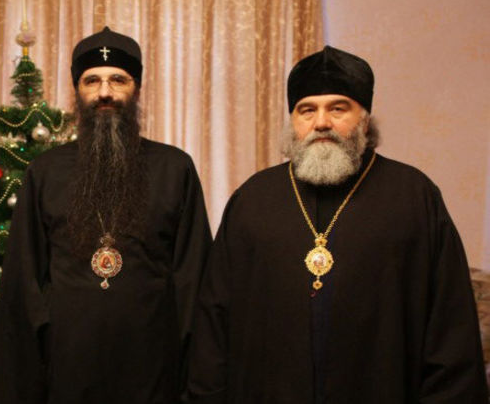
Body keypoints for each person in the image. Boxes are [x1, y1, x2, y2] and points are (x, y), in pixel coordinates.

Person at [187, 45, 488, 403]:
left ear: (365, 119)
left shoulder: (413, 196)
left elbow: (449, 324)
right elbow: (214, 318)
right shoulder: (253, 198)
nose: (321, 123)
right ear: (293, 121)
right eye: (307, 110)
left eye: (338, 108)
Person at [0, 27, 212, 403]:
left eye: (118, 80)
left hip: (153, 369)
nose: (105, 92)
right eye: (92, 80)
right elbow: (24, 285)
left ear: (136, 89)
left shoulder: (175, 169)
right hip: (67, 367)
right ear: (77, 90)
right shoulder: (45, 172)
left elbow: (194, 282)